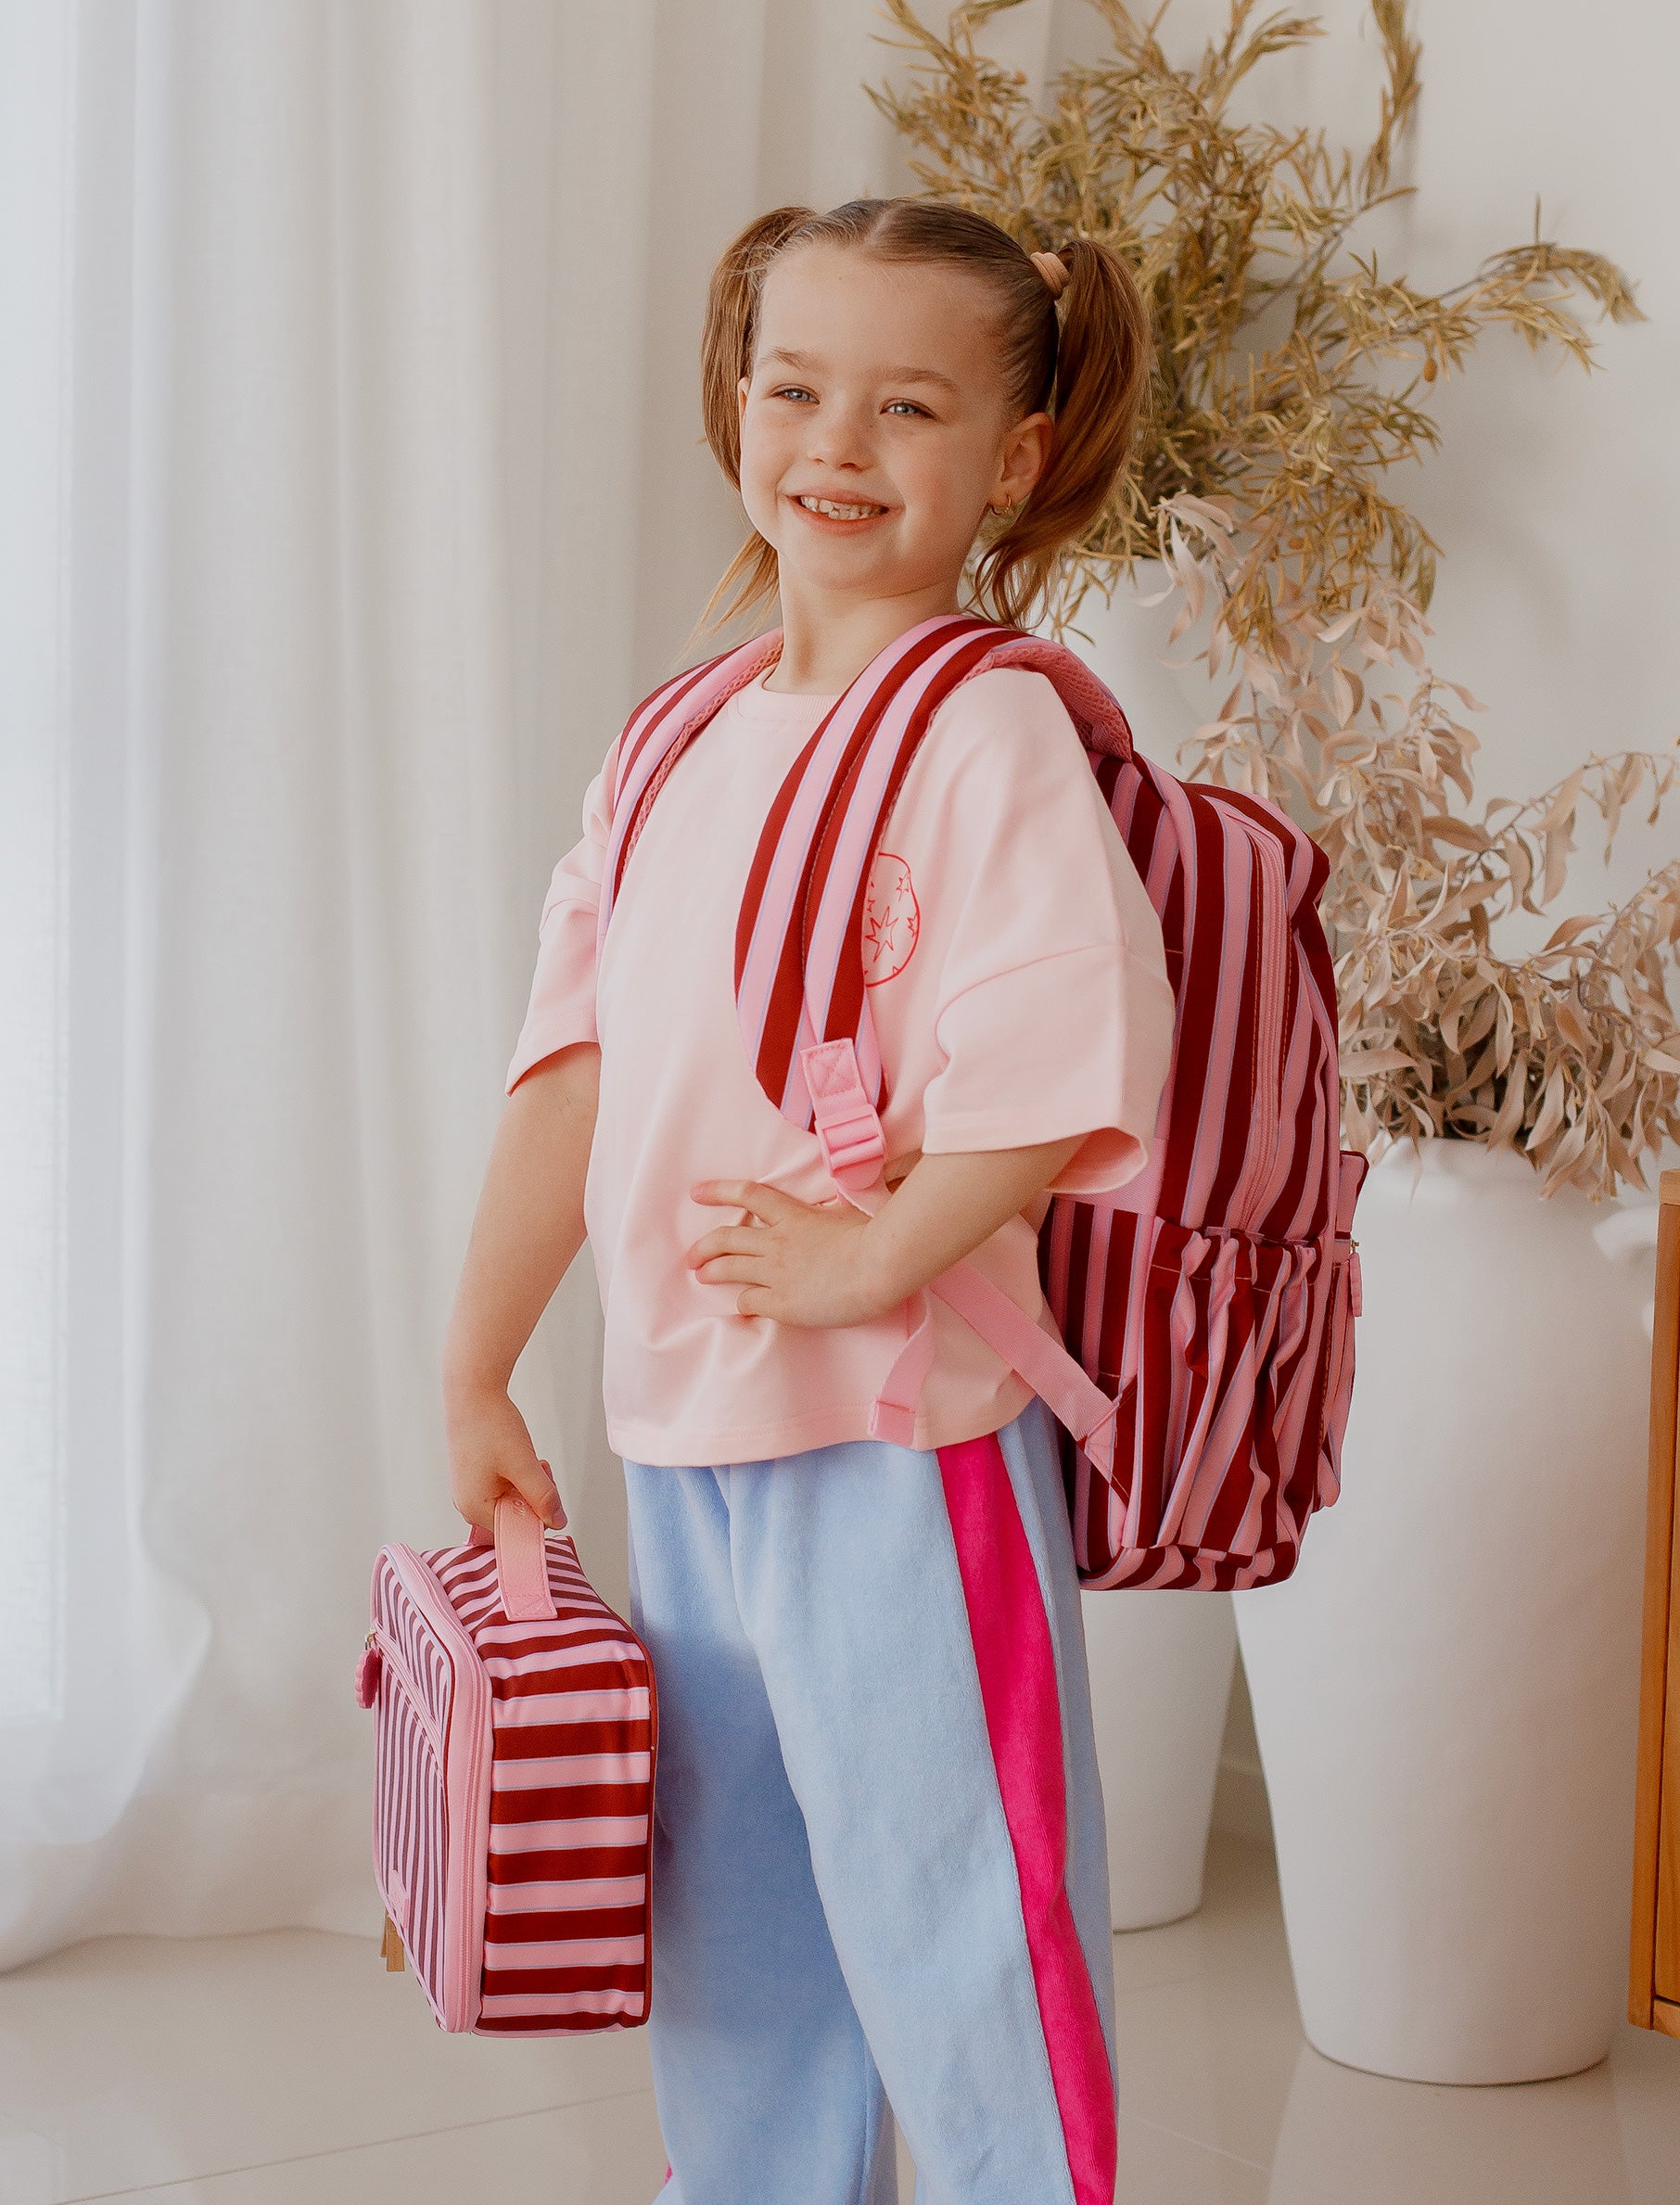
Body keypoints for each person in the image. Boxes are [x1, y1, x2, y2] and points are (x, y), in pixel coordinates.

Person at [441, 197, 1174, 2205]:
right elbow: (568, 1071)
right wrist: (476, 1354)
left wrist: (870, 1250)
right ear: (734, 405)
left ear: (1008, 460)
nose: (834, 444)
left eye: (907, 404)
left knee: (963, 1908)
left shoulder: (985, 722)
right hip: (680, 1423)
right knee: (736, 1914)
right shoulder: (672, 732)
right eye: (793, 387)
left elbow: (1075, 1044)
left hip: (894, 1435)